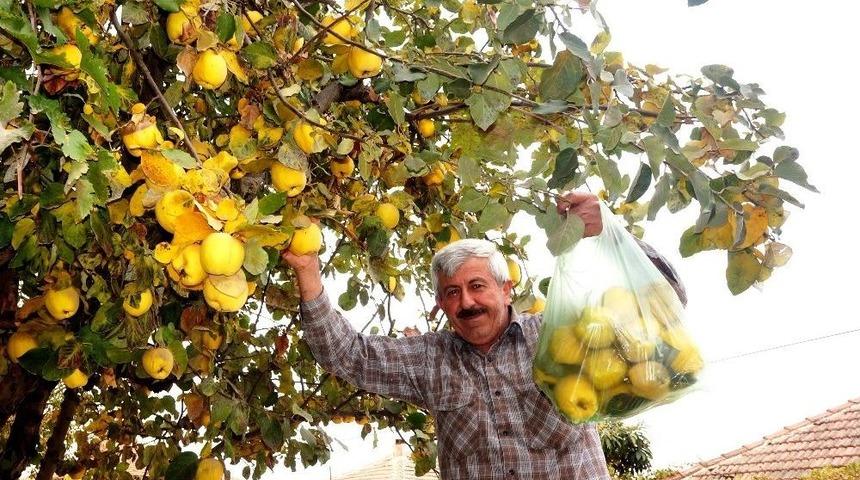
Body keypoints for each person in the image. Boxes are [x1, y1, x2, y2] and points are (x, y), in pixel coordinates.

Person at [281, 191, 685, 479]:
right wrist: (308, 273)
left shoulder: (556, 336)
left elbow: (664, 300)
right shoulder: (431, 360)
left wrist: (609, 231)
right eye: (452, 293)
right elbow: (347, 355)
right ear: (441, 304)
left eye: (477, 286)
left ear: (506, 289)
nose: (467, 302)